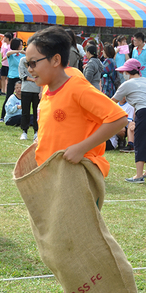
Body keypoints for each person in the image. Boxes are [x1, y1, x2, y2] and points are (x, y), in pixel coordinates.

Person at [25, 25, 128, 178]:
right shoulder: (47, 88)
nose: (29, 69)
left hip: (72, 176)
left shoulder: (77, 88)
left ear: (55, 60)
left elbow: (119, 118)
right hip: (49, 173)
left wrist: (81, 148)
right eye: (27, 64)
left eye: (33, 63)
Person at [112, 58, 146, 182]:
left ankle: (139, 175)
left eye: (124, 72)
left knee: (140, 142)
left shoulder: (127, 84)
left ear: (128, 72)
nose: (123, 74)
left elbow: (113, 101)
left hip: (145, 112)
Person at [0, 38, 25, 121]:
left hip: (21, 78)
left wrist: (22, 52)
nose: (22, 46)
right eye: (20, 45)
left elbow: (29, 56)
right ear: (17, 45)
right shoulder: (11, 54)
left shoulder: (23, 55)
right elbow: (8, 53)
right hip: (12, 77)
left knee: (23, 97)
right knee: (8, 96)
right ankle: (2, 116)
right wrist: (17, 51)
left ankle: (23, 115)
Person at [18, 56, 40, 141]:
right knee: (25, 111)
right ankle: (24, 131)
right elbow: (22, 75)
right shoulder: (23, 60)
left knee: (36, 112)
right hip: (26, 89)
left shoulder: (39, 59)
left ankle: (36, 131)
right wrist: (33, 79)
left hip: (37, 90)